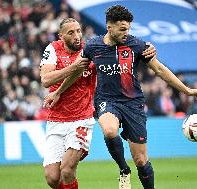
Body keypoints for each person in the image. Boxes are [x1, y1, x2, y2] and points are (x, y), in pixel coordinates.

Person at [44, 5, 197, 189]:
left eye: (128, 29)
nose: (126, 33)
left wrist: (186, 90)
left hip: (133, 103)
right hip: (106, 100)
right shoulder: (93, 46)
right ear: (109, 27)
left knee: (141, 160)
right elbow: (77, 72)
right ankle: (123, 169)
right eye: (122, 29)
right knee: (110, 131)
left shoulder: (136, 45)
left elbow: (160, 69)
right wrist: (58, 92)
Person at [40, 18, 156, 189]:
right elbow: (46, 80)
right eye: (71, 33)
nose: (77, 36)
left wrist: (148, 47)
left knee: (66, 170)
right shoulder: (53, 49)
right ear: (61, 36)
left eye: (79, 31)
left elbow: (118, 43)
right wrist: (72, 70)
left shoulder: (92, 49)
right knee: (52, 178)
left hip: (81, 119)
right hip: (56, 119)